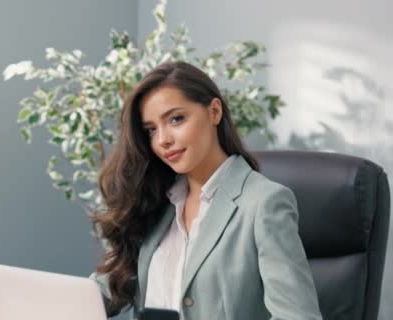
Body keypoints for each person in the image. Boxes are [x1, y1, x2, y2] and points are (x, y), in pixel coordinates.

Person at [90, 61, 322, 320]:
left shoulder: (263, 203)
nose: (163, 139)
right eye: (151, 130)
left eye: (176, 119)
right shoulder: (154, 203)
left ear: (214, 111)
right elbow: (105, 291)